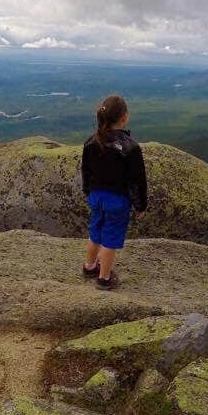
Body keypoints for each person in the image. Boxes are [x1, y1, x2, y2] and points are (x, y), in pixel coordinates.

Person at [80, 94, 148, 290]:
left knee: (96, 231)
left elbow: (86, 170)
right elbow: (137, 181)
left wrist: (88, 191)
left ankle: (89, 266)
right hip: (117, 201)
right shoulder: (131, 148)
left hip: (96, 196)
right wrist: (140, 205)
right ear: (124, 117)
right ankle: (104, 278)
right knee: (110, 238)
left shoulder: (91, 141)